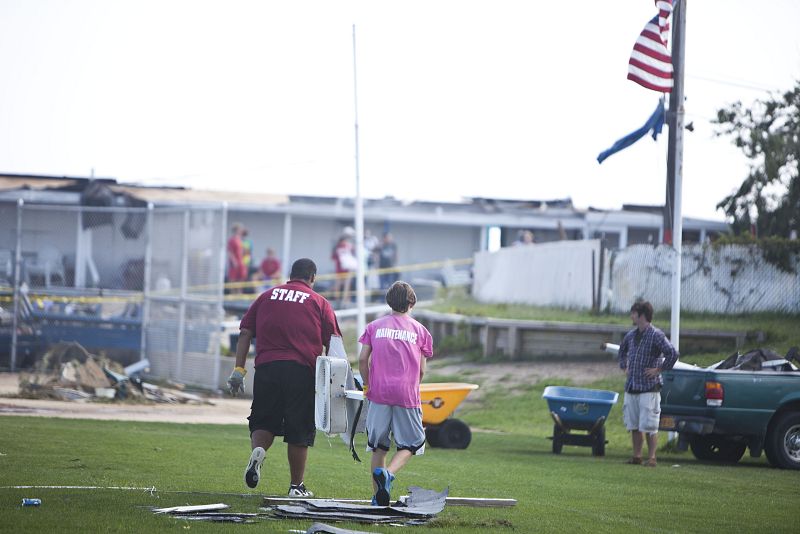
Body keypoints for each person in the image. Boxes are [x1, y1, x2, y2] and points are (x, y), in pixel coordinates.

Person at [227, 258, 341, 497]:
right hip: (301, 370)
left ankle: (258, 451)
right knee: (299, 430)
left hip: (267, 368)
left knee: (263, 421)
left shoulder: (266, 296)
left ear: (291, 274)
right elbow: (334, 343)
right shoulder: (319, 302)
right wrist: (333, 382)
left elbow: (245, 332)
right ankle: (296, 486)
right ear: (312, 278)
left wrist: (239, 369)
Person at [358, 281, 433, 506]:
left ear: (389, 301)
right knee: (413, 443)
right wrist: (412, 384)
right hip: (406, 394)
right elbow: (422, 369)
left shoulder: (374, 327)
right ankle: (388, 474)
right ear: (412, 303)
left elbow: (362, 359)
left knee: (378, 447)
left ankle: (377, 498)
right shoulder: (420, 331)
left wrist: (367, 385)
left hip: (378, 392)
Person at [617, 300, 679, 467]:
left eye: (634, 313)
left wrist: (659, 369)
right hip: (632, 386)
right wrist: (624, 366)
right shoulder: (631, 335)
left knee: (650, 425)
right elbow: (622, 351)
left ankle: (651, 458)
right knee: (634, 424)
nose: (631, 316)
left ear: (642, 315)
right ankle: (636, 456)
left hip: (649, 388)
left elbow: (672, 353)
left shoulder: (656, 335)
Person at [331, 228, 357, 304]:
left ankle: (337, 299)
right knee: (346, 284)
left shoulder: (336, 247)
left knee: (338, 284)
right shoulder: (348, 246)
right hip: (346, 268)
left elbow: (333, 258)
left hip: (339, 268)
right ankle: (345, 300)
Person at [227, 223, 247, 293]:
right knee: (233, 278)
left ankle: (239, 293)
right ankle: (232, 293)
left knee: (241, 278)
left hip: (241, 261)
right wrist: (234, 261)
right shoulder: (232, 240)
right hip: (235, 262)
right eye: (240, 229)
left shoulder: (240, 239)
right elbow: (230, 251)